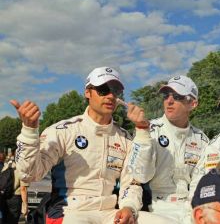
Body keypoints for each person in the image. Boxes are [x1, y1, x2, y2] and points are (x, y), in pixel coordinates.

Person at [11, 66, 174, 224]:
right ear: (87, 93)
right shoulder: (63, 131)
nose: (110, 96)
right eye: (103, 89)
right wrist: (29, 130)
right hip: (70, 211)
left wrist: (129, 208)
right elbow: (29, 175)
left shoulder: (125, 138)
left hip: (110, 212)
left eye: (115, 91)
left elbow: (133, 182)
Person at [128, 75, 209, 223]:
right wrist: (142, 131)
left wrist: (192, 210)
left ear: (193, 103)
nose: (169, 101)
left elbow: (201, 183)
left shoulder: (202, 139)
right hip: (156, 207)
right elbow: (140, 176)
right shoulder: (148, 129)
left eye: (177, 96)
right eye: (166, 96)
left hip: (191, 207)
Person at [0, 158, 29, 224]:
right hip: (15, 199)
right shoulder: (23, 168)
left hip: (4, 196)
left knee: (4, 220)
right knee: (13, 221)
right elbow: (23, 189)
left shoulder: (7, 165)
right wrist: (25, 205)